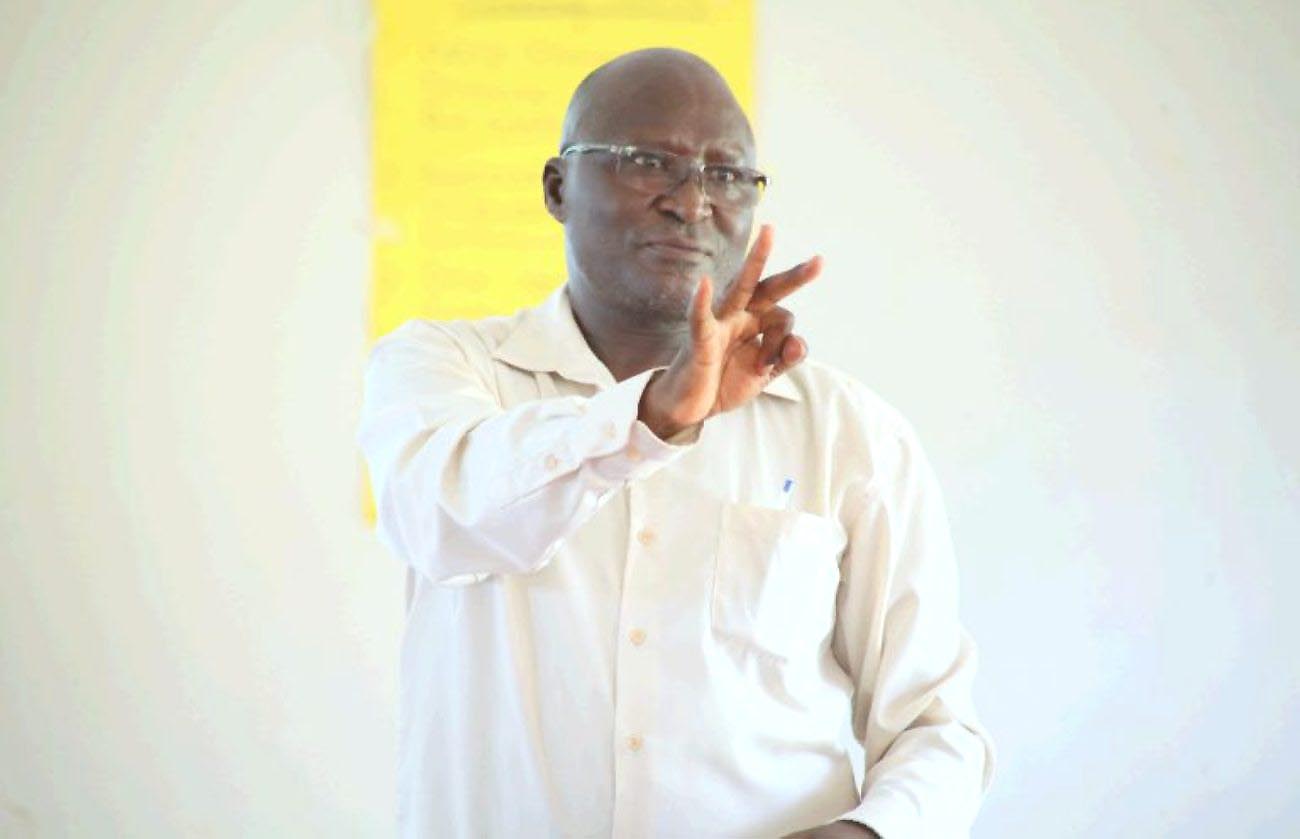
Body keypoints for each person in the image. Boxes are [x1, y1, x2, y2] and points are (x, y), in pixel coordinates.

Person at [358, 47, 994, 838]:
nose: (691, 203)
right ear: (557, 187)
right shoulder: (443, 368)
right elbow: (444, 520)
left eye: (727, 174)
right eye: (645, 162)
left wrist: (864, 833)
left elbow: (937, 729)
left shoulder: (849, 433)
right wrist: (653, 416)